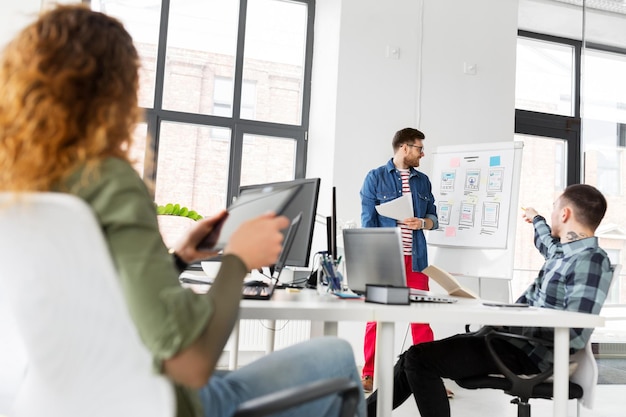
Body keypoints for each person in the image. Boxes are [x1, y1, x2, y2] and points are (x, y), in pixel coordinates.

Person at [0, 5, 365, 417]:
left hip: (60, 400)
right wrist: (239, 260)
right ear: (112, 93)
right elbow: (190, 363)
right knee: (336, 355)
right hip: (154, 400)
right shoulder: (107, 180)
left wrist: (180, 259)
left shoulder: (20, 189)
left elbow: (97, 297)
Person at [366, 183, 614, 417]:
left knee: (421, 360)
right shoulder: (563, 251)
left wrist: (511, 317)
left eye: (553, 209)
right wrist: (536, 218)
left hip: (525, 351)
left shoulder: (591, 259)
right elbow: (545, 242)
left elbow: (576, 329)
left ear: (565, 213)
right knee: (413, 354)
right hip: (505, 338)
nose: (551, 215)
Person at [359, 127, 440, 393]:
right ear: (404, 147)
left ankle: (429, 378)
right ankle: (369, 373)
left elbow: (434, 218)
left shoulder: (423, 181)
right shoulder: (375, 178)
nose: (422, 153)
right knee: (376, 318)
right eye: (419, 148)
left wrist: (423, 223)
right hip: (387, 259)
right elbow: (368, 222)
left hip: (416, 259)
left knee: (420, 319)